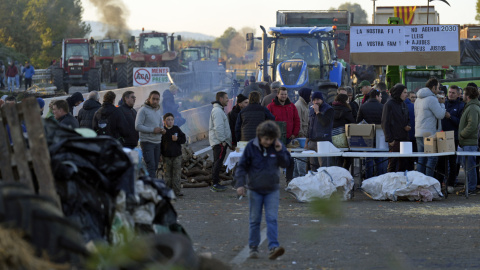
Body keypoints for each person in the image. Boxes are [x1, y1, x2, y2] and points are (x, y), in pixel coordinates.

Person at [234, 120, 290, 260]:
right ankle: (253, 248)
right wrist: (240, 184)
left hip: (272, 189)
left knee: (272, 219)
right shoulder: (251, 147)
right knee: (255, 219)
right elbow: (241, 167)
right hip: (255, 189)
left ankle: (273, 247)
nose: (268, 142)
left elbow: (286, 163)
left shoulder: (277, 146)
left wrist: (280, 151)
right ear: (260, 136)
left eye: (271, 139)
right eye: (266, 139)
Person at [414, 78, 446, 177]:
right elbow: (440, 115)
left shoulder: (418, 99)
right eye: (438, 87)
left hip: (419, 132)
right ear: (433, 87)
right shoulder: (432, 99)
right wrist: (442, 103)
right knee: (432, 158)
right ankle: (428, 181)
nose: (439, 89)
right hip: (429, 133)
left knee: (421, 159)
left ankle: (419, 181)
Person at [435, 85, 464, 193]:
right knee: (440, 161)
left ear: (458, 94)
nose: (451, 94)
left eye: (453, 93)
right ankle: (439, 182)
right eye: (450, 92)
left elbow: (460, 123)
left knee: (452, 162)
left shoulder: (461, 105)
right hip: (442, 135)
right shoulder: (443, 103)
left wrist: (450, 117)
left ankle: (451, 183)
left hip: (454, 137)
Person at [267, 86, 299, 182]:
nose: (284, 96)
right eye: (282, 94)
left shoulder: (292, 106)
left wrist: (295, 133)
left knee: (290, 160)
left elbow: (297, 120)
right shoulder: (270, 107)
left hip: (288, 138)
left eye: (285, 94)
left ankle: (289, 179)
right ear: (278, 94)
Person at [135, 91, 166, 178]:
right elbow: (137, 126)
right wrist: (152, 130)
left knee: (155, 166)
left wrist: (162, 130)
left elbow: (160, 124)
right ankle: (151, 188)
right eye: (153, 99)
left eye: (157, 99)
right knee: (151, 166)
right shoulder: (143, 110)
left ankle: (149, 185)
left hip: (157, 142)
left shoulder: (158, 110)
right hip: (147, 142)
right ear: (149, 99)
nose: (155, 101)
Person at [357, 90, 387, 178]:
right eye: (380, 96)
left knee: (368, 160)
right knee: (380, 160)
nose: (381, 98)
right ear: (377, 96)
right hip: (380, 136)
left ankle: (368, 179)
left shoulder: (363, 107)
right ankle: (380, 179)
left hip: (367, 137)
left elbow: (358, 122)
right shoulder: (383, 107)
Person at [381, 84, 411, 172]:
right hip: (395, 140)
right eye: (404, 92)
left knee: (404, 164)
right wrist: (390, 139)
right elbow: (385, 123)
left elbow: (407, 118)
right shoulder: (389, 104)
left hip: (404, 139)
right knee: (392, 163)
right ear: (399, 93)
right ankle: (391, 183)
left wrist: (407, 126)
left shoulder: (404, 104)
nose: (406, 94)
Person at [458, 86, 480, 195]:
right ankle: (469, 187)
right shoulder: (471, 106)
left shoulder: (472, 108)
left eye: (463, 93)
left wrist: (462, 134)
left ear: (468, 96)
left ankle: (471, 188)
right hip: (467, 142)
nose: (462, 95)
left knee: (469, 167)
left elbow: (472, 125)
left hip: (469, 142)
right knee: (467, 166)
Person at [209, 91, 233, 192]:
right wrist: (223, 140)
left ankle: (216, 182)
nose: (228, 100)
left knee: (217, 162)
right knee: (218, 162)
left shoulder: (218, 110)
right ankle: (215, 183)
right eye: (226, 98)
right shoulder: (218, 111)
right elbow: (218, 127)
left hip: (219, 142)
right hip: (219, 142)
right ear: (221, 99)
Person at [306, 91, 334, 169]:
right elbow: (309, 126)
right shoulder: (312, 110)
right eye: (314, 100)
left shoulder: (329, 109)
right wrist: (306, 141)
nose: (315, 102)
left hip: (323, 142)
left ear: (322, 99)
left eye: (318, 99)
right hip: (312, 142)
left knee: (323, 167)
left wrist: (318, 112)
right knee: (313, 167)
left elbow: (325, 123)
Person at [161, 113, 187, 197]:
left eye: (172, 119)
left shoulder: (176, 129)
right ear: (164, 121)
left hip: (177, 155)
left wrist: (177, 139)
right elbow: (160, 144)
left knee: (176, 174)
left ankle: (177, 191)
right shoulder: (163, 131)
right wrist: (160, 155)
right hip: (166, 156)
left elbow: (183, 139)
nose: (170, 121)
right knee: (167, 175)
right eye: (168, 120)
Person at [332, 93, 355, 169]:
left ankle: (337, 173)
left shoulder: (331, 109)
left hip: (333, 138)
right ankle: (344, 173)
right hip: (344, 138)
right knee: (348, 158)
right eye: (347, 101)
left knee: (338, 158)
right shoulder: (346, 110)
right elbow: (352, 122)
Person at [293, 87, 312, 177]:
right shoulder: (299, 105)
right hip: (301, 138)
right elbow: (298, 122)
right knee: (301, 159)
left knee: (299, 159)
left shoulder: (304, 105)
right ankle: (301, 179)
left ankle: (296, 180)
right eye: (310, 95)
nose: (311, 96)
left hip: (303, 136)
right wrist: (302, 136)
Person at [404, 91, 417, 170]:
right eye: (412, 97)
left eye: (415, 97)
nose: (414, 99)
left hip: (408, 135)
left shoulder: (405, 105)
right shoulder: (411, 107)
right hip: (411, 135)